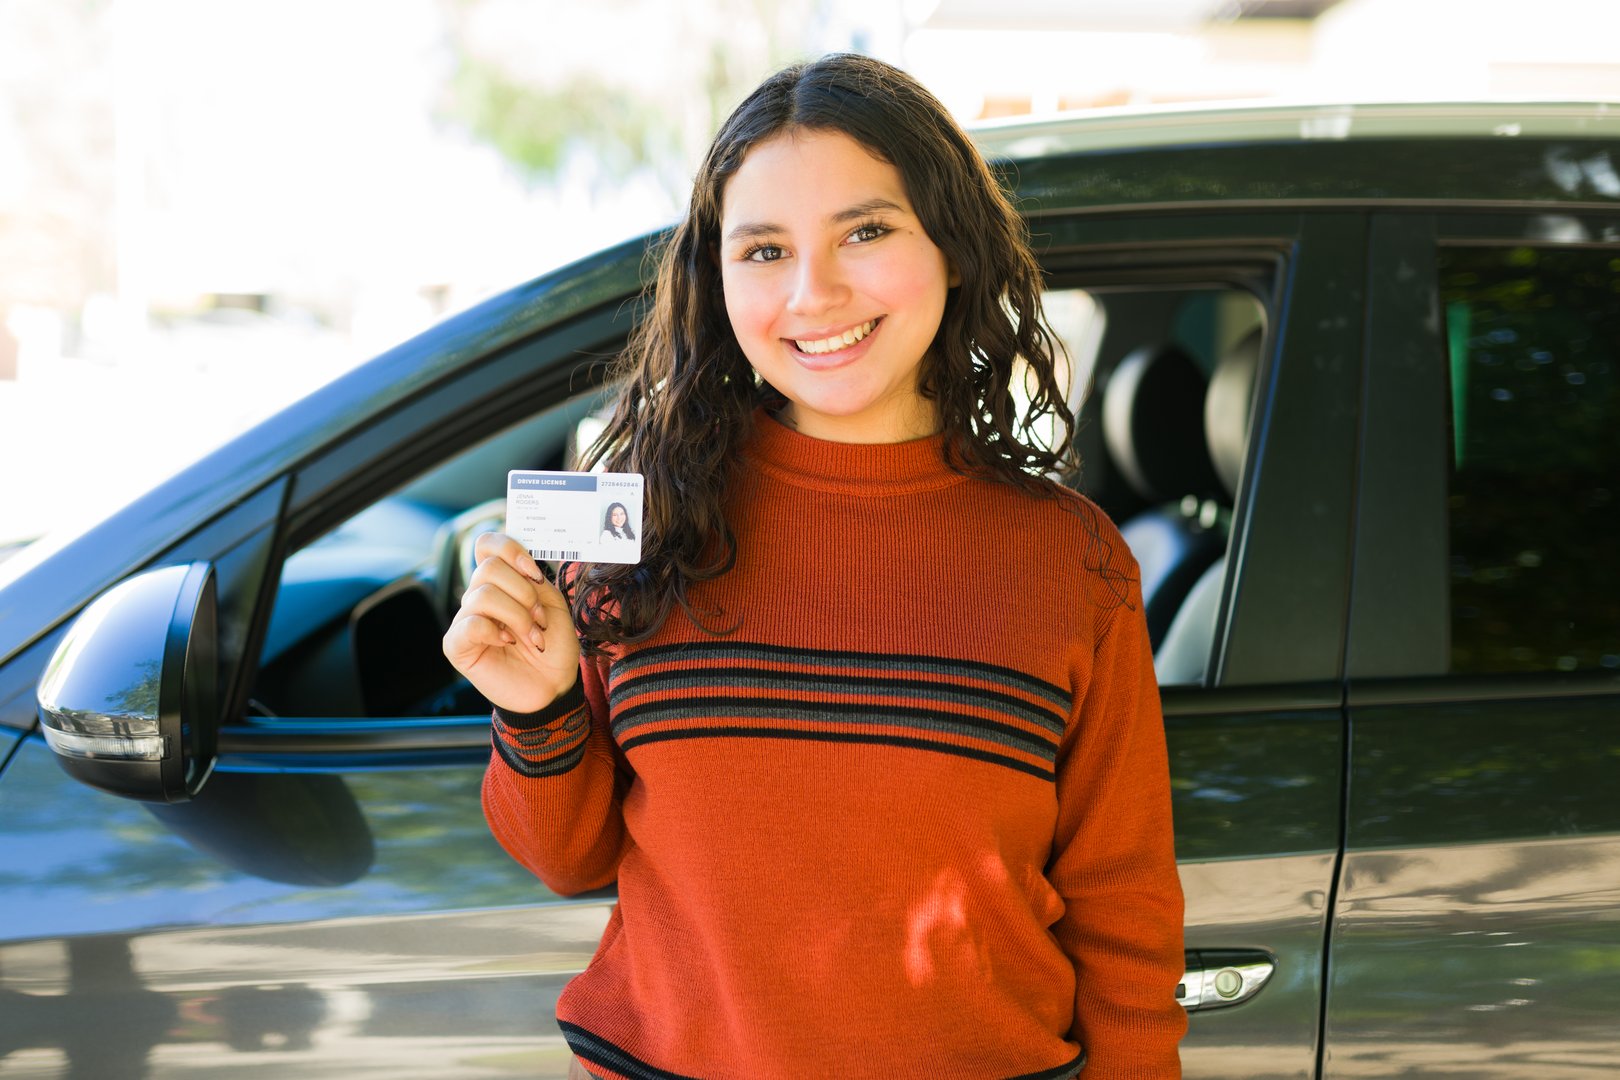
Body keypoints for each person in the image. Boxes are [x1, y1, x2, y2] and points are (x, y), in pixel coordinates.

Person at [442, 53, 1186, 1080]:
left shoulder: (1072, 561)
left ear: (955, 250)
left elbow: (1125, 909)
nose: (813, 292)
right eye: (762, 250)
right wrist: (537, 709)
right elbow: (565, 860)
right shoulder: (638, 531)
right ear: (718, 278)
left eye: (866, 231)